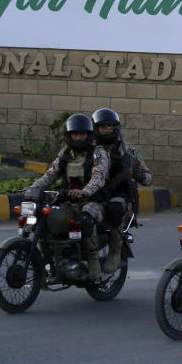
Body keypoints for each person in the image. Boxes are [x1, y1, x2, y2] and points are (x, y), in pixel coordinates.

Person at [25, 114, 110, 279]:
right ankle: (50, 258)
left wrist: (85, 191)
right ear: (69, 135)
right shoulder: (65, 153)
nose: (78, 137)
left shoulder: (98, 153)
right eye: (75, 134)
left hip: (93, 201)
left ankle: (93, 261)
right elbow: (51, 174)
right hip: (67, 200)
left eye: (82, 134)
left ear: (89, 134)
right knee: (43, 217)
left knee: (85, 218)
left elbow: (98, 177)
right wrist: (32, 188)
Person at [91, 108, 153, 273]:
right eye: (103, 126)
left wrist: (136, 172)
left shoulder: (127, 150)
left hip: (119, 195)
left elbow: (148, 178)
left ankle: (115, 252)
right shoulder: (89, 148)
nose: (107, 129)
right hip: (94, 193)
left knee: (116, 209)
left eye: (111, 126)